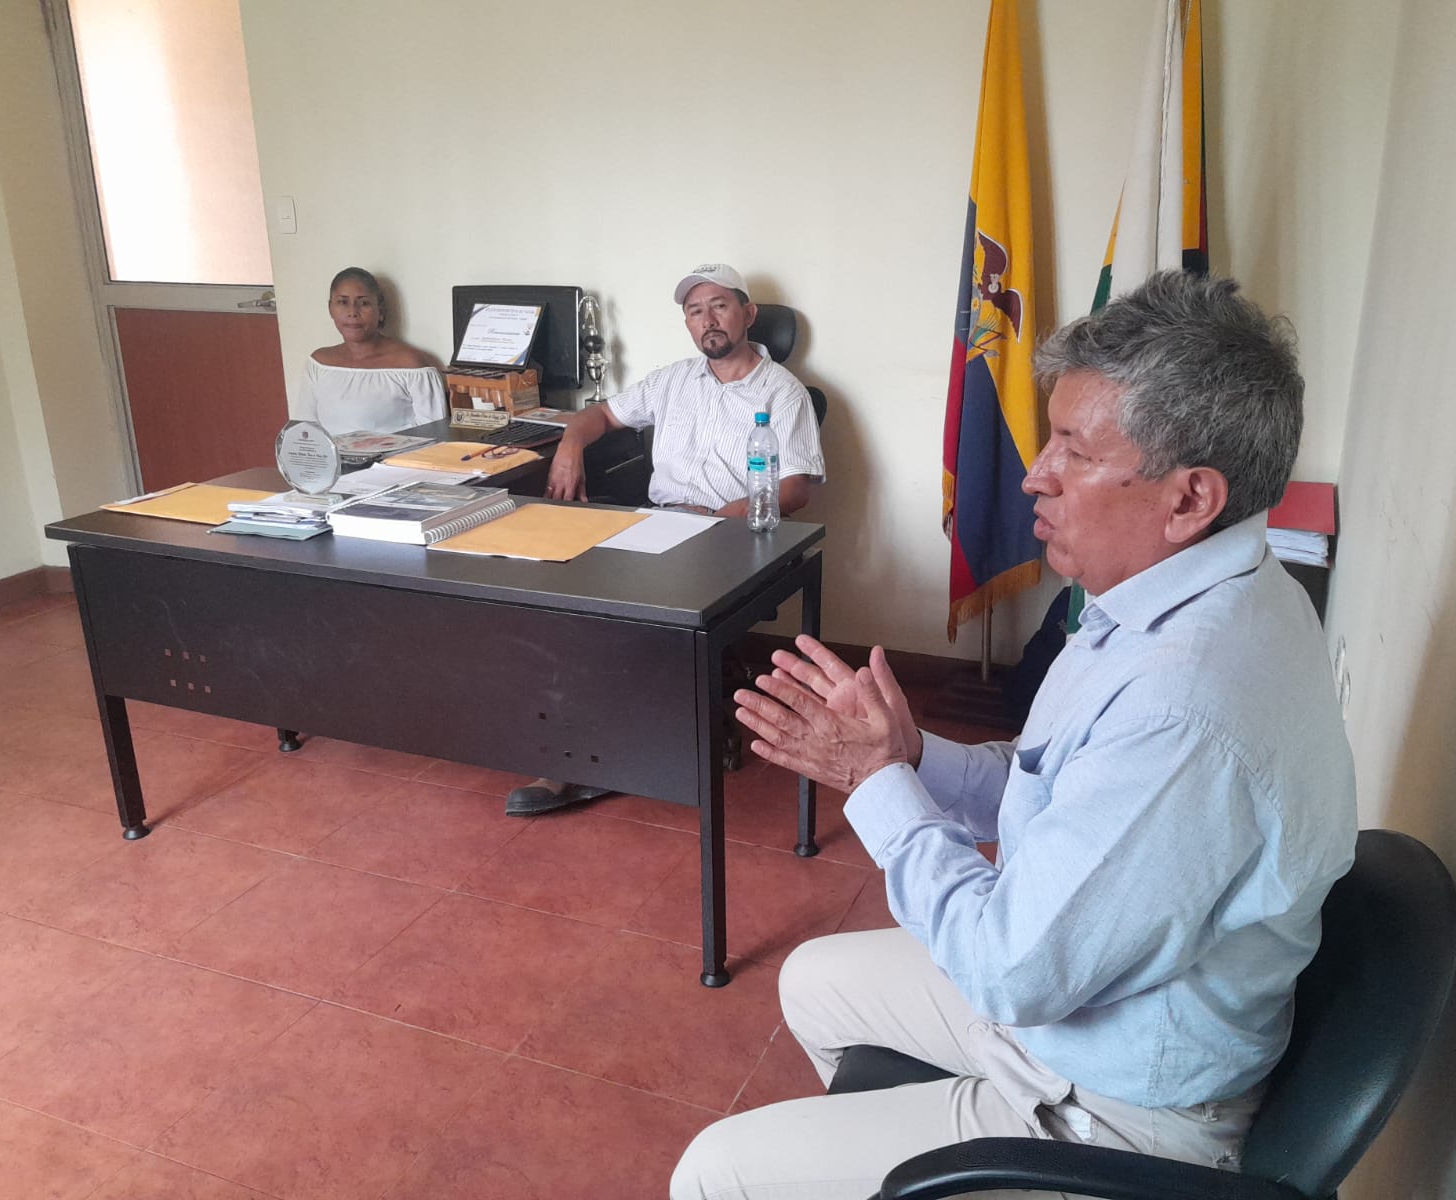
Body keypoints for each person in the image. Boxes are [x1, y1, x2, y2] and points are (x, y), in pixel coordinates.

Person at [670, 271, 1358, 1199]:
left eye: (1073, 449)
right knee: (812, 981)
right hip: (1078, 1003)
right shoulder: (1194, 592)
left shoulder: (1186, 709)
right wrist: (913, 759)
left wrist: (877, 785)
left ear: (1190, 499)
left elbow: (1008, 968)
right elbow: (1055, 779)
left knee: (714, 1175)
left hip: (1111, 1103)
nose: (1035, 474)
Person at [505, 262, 826, 818]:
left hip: (733, 536)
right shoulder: (673, 380)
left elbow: (795, 488)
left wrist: (714, 521)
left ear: (748, 314)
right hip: (659, 526)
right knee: (567, 595)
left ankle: (589, 760)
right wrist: (569, 447)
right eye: (695, 311)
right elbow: (599, 415)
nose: (708, 320)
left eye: (719, 305)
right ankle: (578, 746)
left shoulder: (783, 392)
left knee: (626, 620)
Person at [292, 267, 445, 433]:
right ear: (330, 309)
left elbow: (435, 434)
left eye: (364, 303)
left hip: (394, 451)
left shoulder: (411, 364)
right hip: (328, 452)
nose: (352, 312)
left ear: (381, 311)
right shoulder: (319, 363)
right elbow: (304, 431)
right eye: (342, 302)